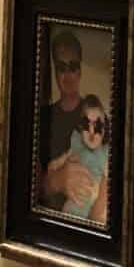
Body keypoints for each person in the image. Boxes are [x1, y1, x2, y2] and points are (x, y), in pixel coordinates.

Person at [41, 34, 91, 205]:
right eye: (62, 67)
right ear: (55, 72)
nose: (68, 74)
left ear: (80, 71)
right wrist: (55, 181)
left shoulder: (94, 116)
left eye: (73, 66)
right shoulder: (42, 118)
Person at [57, 97, 111, 226]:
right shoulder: (76, 145)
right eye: (87, 125)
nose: (92, 131)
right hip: (70, 208)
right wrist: (58, 165)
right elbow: (59, 162)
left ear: (104, 130)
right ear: (80, 128)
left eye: (98, 126)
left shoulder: (105, 153)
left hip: (91, 211)